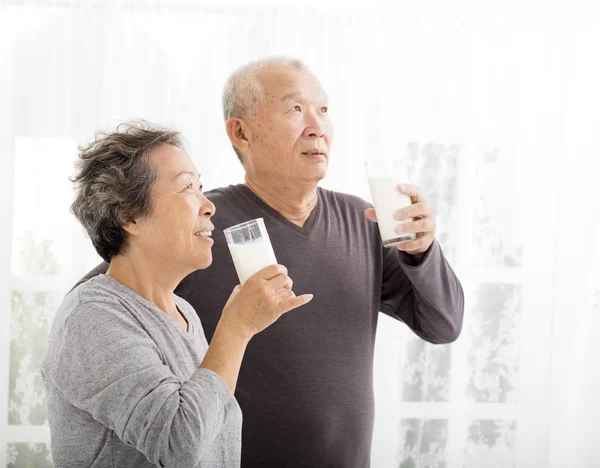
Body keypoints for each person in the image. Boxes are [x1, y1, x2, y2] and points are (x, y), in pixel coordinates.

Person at [78, 57, 464, 467]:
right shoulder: (198, 228)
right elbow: (104, 305)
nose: (317, 125)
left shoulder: (366, 222)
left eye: (324, 110)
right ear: (240, 132)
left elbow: (443, 325)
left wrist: (421, 252)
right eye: (296, 109)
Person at [41, 122, 312, 468]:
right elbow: (177, 444)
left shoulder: (184, 313)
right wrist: (238, 327)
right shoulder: (90, 316)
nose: (208, 204)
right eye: (187, 188)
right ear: (129, 215)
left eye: (201, 186)